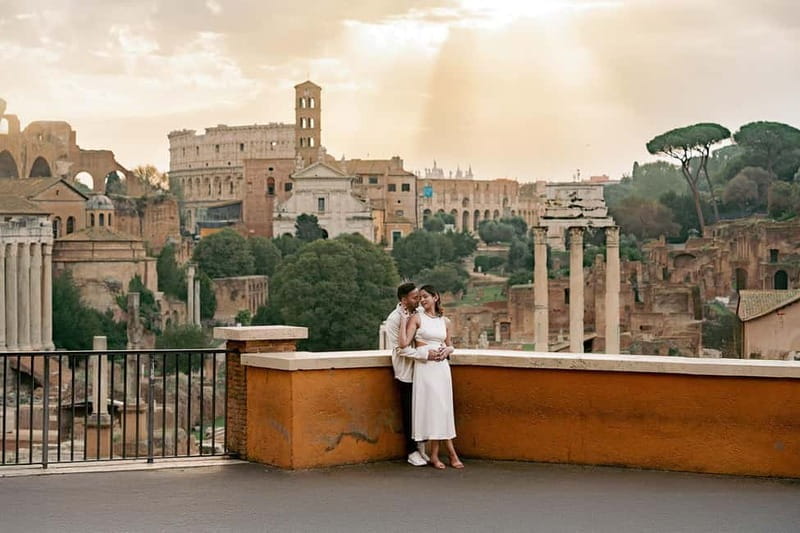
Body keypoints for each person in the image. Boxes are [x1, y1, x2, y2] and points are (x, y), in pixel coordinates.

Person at [399, 284, 463, 469]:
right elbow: (404, 344)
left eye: (425, 296)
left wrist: (448, 350)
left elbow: (449, 344)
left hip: (442, 367)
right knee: (434, 408)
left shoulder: (445, 321)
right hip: (426, 367)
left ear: (435, 297)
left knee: (443, 408)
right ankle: (449, 453)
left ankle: (436, 454)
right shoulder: (416, 318)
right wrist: (404, 320)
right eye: (420, 297)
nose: (422, 300)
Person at [384, 282, 429, 466]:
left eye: (419, 296)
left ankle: (421, 448)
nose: (418, 300)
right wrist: (425, 355)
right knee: (409, 412)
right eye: (414, 297)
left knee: (422, 411)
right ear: (404, 299)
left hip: (422, 370)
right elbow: (400, 349)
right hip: (406, 371)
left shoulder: (418, 314)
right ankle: (411, 451)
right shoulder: (394, 319)